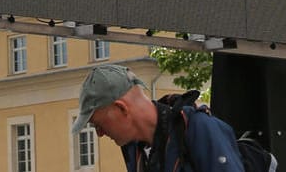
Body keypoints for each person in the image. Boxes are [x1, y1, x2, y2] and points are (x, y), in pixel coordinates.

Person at [72, 64, 249, 172]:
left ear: (121, 108)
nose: (100, 134)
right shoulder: (134, 150)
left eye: (98, 124)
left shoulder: (199, 128)